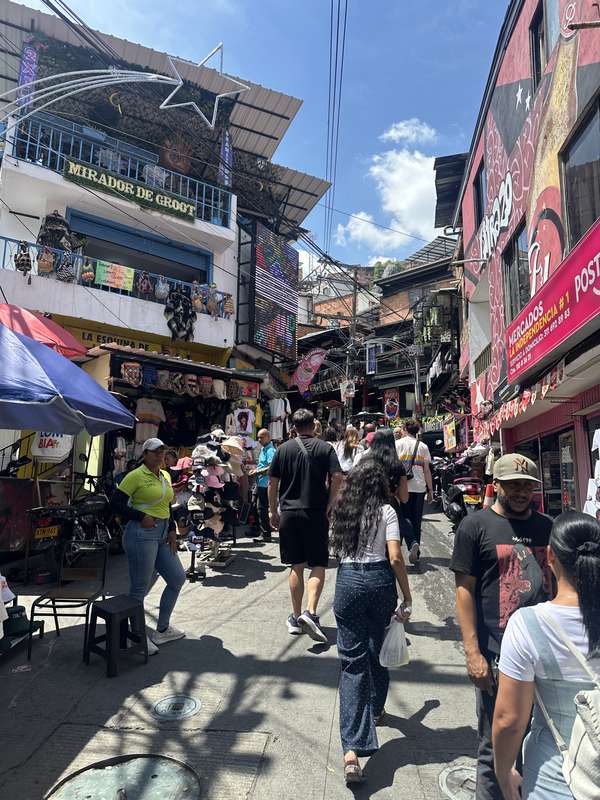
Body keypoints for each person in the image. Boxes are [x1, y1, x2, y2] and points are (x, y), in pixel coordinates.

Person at [450, 453, 553, 800]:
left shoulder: (546, 527)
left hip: (544, 653)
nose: (522, 492)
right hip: (498, 655)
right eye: (514, 485)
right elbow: (464, 590)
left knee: (539, 739)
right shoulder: (475, 526)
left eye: (527, 486)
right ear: (498, 486)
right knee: (494, 745)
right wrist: (472, 652)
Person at [493, 512, 600, 800]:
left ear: (550, 555)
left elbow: (509, 720)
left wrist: (503, 773)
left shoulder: (528, 624)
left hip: (555, 779)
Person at [330, 459, 412, 784]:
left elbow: (335, 552)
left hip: (348, 580)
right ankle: (376, 710)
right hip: (379, 581)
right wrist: (407, 595)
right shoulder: (387, 511)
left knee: (352, 664)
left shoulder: (342, 512)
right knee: (379, 650)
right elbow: (394, 556)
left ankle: (351, 751)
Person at [268, 408, 343, 642]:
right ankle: (311, 612)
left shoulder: (282, 449)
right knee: (318, 564)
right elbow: (338, 476)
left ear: (293, 427)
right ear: (313, 426)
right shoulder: (325, 448)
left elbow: (272, 483)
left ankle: (296, 615)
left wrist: (272, 510)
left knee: (295, 564)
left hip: (289, 513)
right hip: (316, 512)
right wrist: (330, 503)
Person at [111, 438, 186, 656]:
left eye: (162, 451)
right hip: (141, 534)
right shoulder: (134, 476)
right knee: (139, 588)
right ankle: (137, 637)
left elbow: (167, 505)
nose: (160, 455)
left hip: (162, 533)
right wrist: (140, 516)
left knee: (177, 578)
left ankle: (162, 629)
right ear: (145, 454)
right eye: (155, 452)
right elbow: (115, 504)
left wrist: (171, 528)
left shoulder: (165, 475)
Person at [395, 418, 433, 565]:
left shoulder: (397, 444)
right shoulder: (423, 446)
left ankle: (409, 545)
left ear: (404, 429)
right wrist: (430, 490)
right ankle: (415, 551)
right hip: (419, 487)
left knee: (403, 517)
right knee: (416, 519)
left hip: (401, 487)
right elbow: (427, 470)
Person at [363, 429, 409, 530]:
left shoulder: (364, 461)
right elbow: (404, 498)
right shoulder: (398, 465)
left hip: (367, 508)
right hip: (391, 509)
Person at [251, 429, 276, 543]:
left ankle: (266, 533)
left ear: (268, 437)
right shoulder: (263, 449)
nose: (259, 440)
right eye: (258, 437)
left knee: (262, 508)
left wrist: (257, 472)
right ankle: (260, 530)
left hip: (265, 484)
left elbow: (271, 467)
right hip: (260, 482)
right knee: (256, 506)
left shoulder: (270, 450)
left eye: (262, 437)